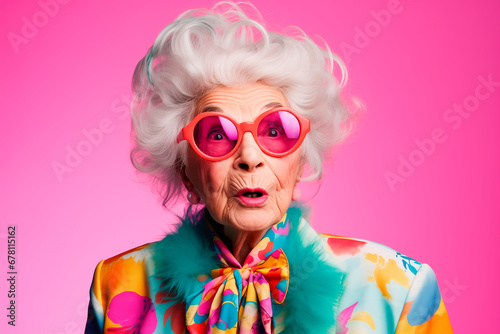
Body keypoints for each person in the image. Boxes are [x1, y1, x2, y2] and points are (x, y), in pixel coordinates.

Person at [84, 2, 453, 333]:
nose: (249, 156)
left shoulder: (399, 290)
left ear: (301, 160)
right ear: (186, 172)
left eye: (275, 131)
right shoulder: (120, 284)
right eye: (216, 134)